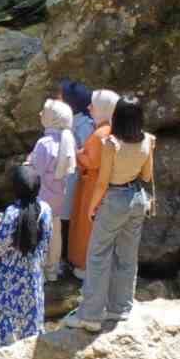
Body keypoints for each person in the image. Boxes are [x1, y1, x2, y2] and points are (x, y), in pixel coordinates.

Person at [65, 97, 158, 332]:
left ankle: (91, 315)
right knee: (127, 255)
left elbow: (102, 182)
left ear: (117, 116)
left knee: (98, 256)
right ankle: (120, 308)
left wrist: (91, 207)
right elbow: (146, 176)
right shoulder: (147, 140)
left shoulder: (111, 143)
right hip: (137, 199)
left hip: (114, 200)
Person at [0, 166, 54, 359]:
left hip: (6, 278)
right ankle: (27, 353)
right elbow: (45, 241)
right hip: (32, 276)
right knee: (29, 316)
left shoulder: (12, 212)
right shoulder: (45, 209)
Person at [68, 89, 120, 275]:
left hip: (93, 186)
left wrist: (77, 153)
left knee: (87, 229)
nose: (89, 107)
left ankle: (86, 267)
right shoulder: (112, 129)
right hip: (103, 186)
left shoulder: (100, 134)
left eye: (94, 105)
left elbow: (92, 161)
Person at [27, 99, 76, 281]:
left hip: (42, 198)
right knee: (56, 232)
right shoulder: (68, 140)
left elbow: (35, 173)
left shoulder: (44, 143)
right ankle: (52, 271)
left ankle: (39, 272)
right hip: (58, 197)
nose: (40, 114)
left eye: (44, 112)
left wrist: (28, 162)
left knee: (40, 233)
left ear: (53, 118)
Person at [57, 81, 95, 264]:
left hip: (74, 180)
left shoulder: (85, 125)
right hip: (62, 178)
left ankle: (65, 258)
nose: (58, 99)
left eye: (61, 96)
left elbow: (88, 155)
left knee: (67, 220)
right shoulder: (69, 120)